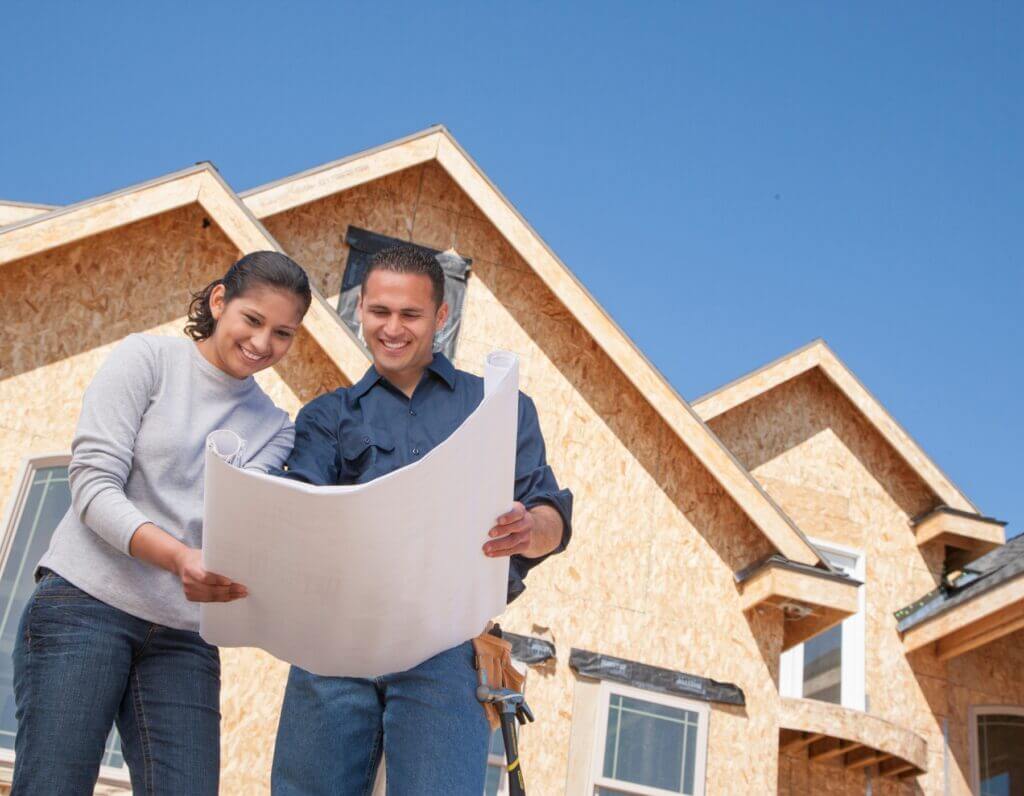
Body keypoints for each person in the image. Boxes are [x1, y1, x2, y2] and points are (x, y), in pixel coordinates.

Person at [271, 246, 573, 795]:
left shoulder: (497, 408)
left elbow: (549, 510)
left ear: (441, 317)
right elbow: (299, 514)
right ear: (360, 308)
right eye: (379, 311)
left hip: (448, 645)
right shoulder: (327, 415)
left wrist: (534, 527)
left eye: (410, 315)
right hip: (337, 640)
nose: (392, 328)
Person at [12, 251, 313, 795]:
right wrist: (179, 558)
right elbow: (93, 487)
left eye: (284, 333)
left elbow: (238, 530)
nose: (264, 344)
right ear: (220, 301)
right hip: (85, 605)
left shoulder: (274, 428)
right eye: (253, 319)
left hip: (182, 636)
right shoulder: (147, 360)